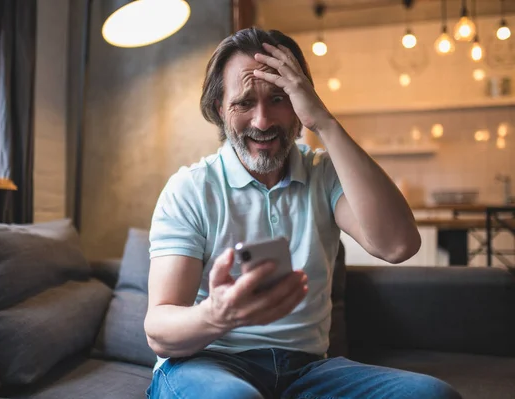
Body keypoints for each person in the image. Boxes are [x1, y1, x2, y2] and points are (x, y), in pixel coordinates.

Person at [144, 27, 461, 399]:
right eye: (244, 102)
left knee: (432, 395)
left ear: (300, 103)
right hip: (209, 363)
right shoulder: (191, 189)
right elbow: (158, 330)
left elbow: (397, 245)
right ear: (220, 109)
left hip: (308, 370)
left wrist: (324, 122)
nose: (262, 121)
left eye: (279, 98)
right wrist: (218, 314)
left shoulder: (324, 174)